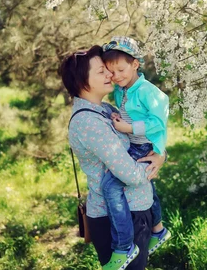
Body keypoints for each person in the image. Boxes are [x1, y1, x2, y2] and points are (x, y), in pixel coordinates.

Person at [60, 45, 166, 270]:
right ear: (81, 82)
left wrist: (160, 155)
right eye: (101, 71)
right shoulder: (88, 122)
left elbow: (144, 137)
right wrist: (153, 163)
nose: (110, 74)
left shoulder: (106, 110)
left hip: (135, 210)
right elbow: (132, 175)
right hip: (117, 220)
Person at [100, 36, 172, 264]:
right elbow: (129, 113)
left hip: (144, 145)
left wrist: (129, 127)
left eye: (121, 69)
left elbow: (157, 122)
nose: (116, 76)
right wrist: (119, 118)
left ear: (135, 64)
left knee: (111, 185)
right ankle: (158, 229)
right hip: (134, 143)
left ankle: (123, 246)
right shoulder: (122, 90)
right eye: (111, 72)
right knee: (147, 182)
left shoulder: (148, 91)